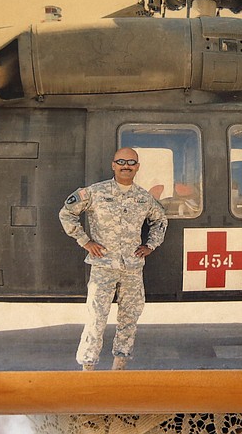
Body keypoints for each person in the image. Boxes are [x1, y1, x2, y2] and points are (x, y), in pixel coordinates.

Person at [59, 147, 167, 371]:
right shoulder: (95, 193)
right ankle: (88, 368)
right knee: (96, 319)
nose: (125, 166)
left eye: (131, 162)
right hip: (103, 267)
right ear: (113, 165)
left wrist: (150, 245)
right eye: (121, 162)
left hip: (132, 269)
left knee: (129, 318)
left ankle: (119, 367)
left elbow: (160, 220)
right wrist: (85, 241)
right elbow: (66, 213)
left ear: (137, 167)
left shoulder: (143, 198)